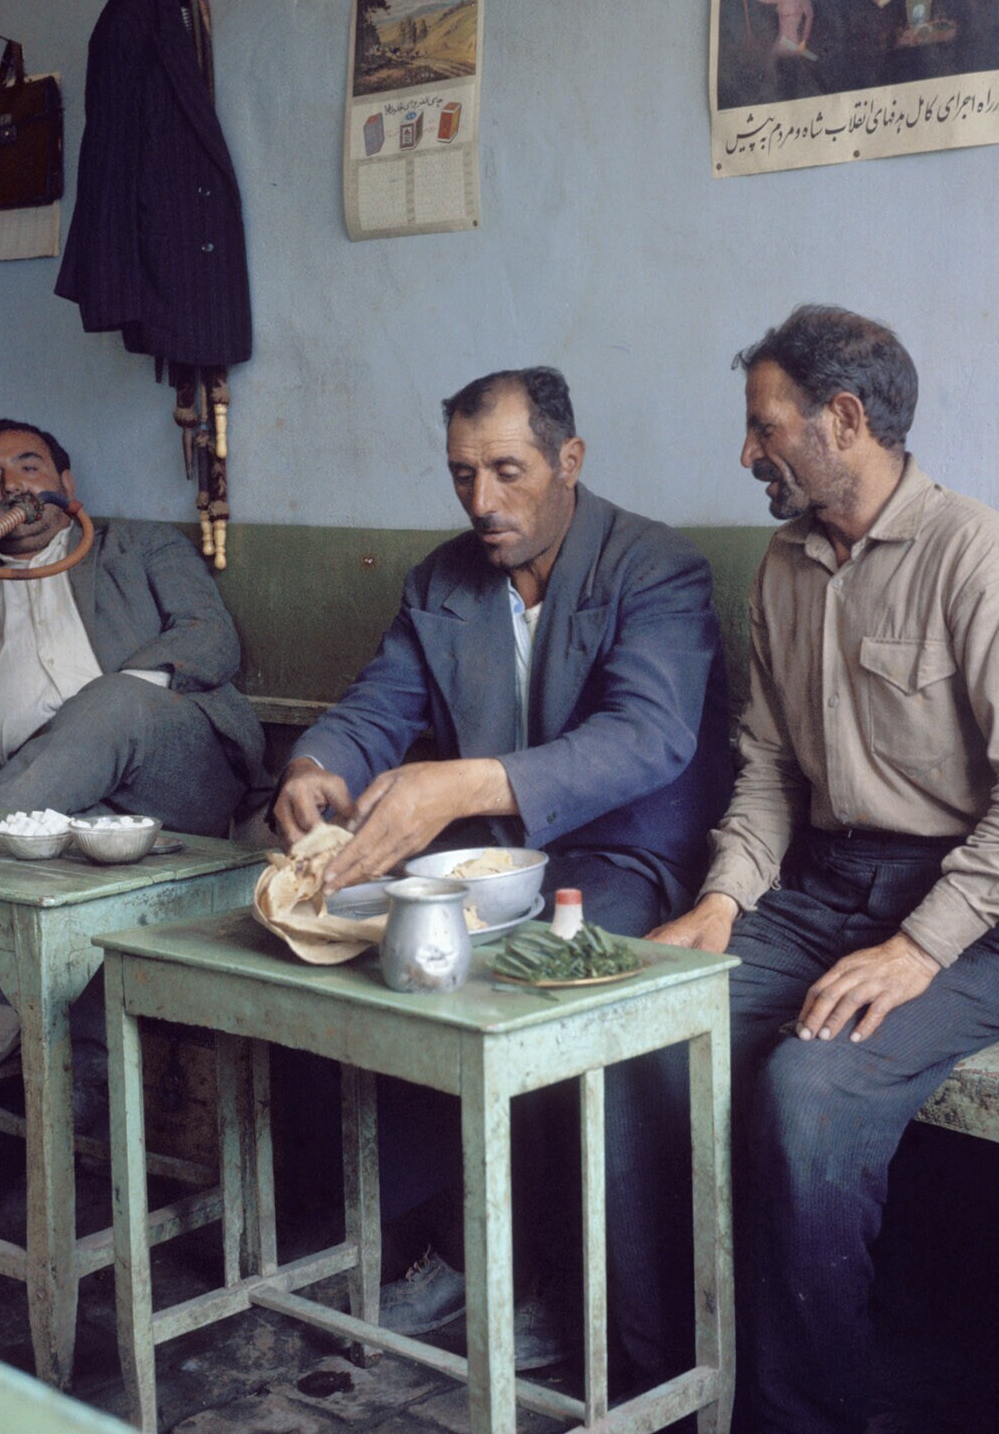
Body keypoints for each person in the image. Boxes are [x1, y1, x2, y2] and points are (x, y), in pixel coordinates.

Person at [649, 306, 999, 1433]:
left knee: (807, 1091)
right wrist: (723, 899)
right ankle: (666, 1383)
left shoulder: (983, 558)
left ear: (843, 420)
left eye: (765, 428)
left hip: (975, 927)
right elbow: (767, 766)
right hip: (820, 895)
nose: (747, 453)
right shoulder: (786, 565)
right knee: (649, 1032)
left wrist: (916, 947)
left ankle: (798, 1419)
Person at [274, 366, 733, 1374]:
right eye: (461, 475)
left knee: (538, 986)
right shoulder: (442, 580)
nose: (482, 500)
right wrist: (315, 767)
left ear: (570, 461)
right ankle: (460, 1245)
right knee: (392, 962)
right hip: (490, 857)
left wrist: (461, 785)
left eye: (508, 472)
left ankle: (569, 1289)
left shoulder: (656, 567)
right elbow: (379, 707)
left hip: (622, 857)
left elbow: (648, 736)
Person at [0, 418, 266, 835]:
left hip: (172, 770)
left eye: (28, 467)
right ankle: (11, 831)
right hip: (54, 799)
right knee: (67, 833)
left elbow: (211, 634)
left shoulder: (139, 544)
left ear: (66, 485)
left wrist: (106, 709)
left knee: (116, 700)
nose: (10, 485)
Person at [744, 0, 816, 62]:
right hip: (780, 43)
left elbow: (809, 16)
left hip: (794, 45)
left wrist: (804, 40)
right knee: (771, 66)